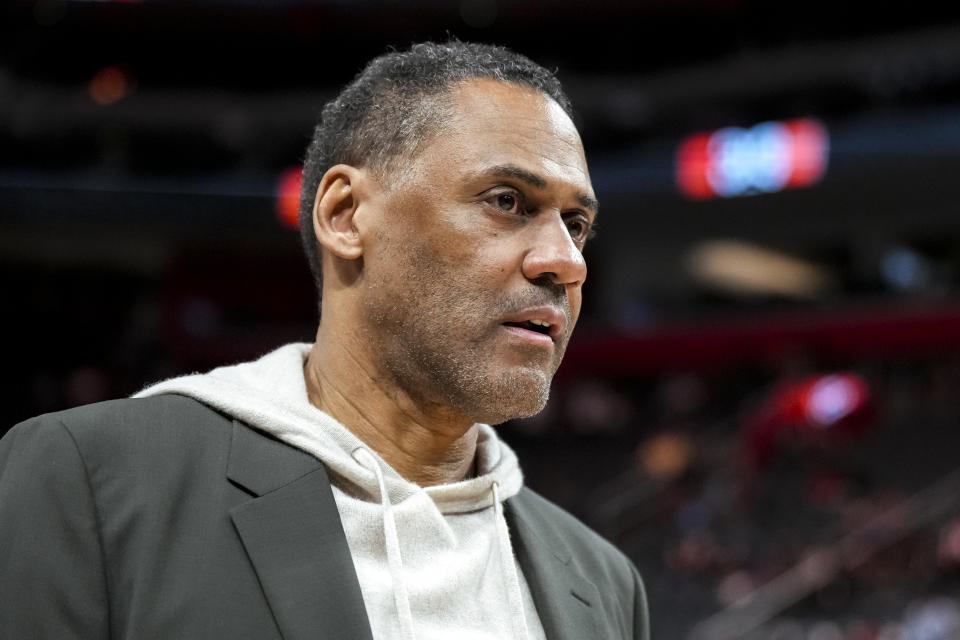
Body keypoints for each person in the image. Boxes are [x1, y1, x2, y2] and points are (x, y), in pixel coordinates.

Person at [0, 41, 649, 640]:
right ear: (345, 215)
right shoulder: (92, 481)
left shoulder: (605, 584)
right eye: (506, 201)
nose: (567, 262)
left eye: (577, 224)